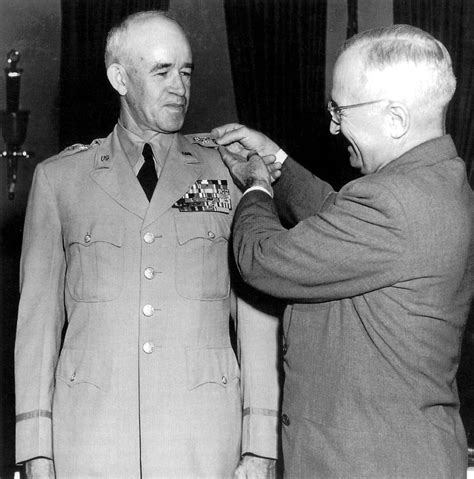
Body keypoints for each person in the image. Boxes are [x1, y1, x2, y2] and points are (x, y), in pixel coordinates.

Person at [15, 11, 280, 479]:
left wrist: (259, 446)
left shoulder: (228, 174)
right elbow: (36, 325)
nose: (180, 85)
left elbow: (257, 319)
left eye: (186, 71)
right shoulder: (60, 181)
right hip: (91, 442)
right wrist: (36, 451)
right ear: (120, 77)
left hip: (201, 442)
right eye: (162, 71)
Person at [213, 24, 473, 478]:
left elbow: (262, 258)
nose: (333, 126)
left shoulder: (392, 203)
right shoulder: (437, 182)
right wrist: (277, 162)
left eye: (341, 110)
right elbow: (340, 217)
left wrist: (256, 186)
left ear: (395, 119)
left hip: (367, 463)